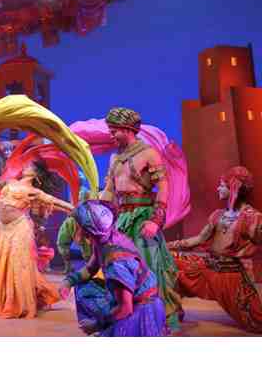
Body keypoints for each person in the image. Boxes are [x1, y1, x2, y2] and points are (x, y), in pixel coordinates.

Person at [99, 107, 183, 331]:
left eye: (114, 130)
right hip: (121, 220)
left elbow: (164, 187)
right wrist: (98, 212)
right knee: (120, 267)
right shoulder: (115, 158)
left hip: (143, 218)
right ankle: (126, 317)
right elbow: (109, 190)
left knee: (148, 267)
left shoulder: (148, 154)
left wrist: (156, 220)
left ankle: (156, 319)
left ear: (128, 129)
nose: (110, 134)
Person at [0, 160, 74, 318]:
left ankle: (22, 303)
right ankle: (11, 298)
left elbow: (54, 201)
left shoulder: (33, 191)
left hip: (20, 228)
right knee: (6, 264)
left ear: (36, 174)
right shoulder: (11, 182)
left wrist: (74, 208)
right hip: (5, 230)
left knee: (19, 265)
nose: (26, 167)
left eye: (30, 166)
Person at [167, 166, 262, 333]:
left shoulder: (253, 218)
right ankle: (172, 312)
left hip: (230, 277)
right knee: (169, 259)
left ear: (234, 187)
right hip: (208, 269)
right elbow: (199, 239)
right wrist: (167, 246)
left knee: (257, 323)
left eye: (222, 185)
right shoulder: (218, 215)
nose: (218, 188)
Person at [59, 200, 167, 336]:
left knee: (89, 295)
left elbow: (125, 308)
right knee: (83, 287)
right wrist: (68, 282)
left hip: (141, 309)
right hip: (134, 299)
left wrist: (97, 325)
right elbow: (91, 268)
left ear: (87, 230)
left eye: (78, 224)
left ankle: (116, 326)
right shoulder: (106, 237)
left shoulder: (115, 261)